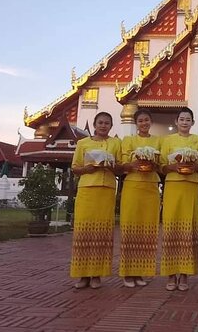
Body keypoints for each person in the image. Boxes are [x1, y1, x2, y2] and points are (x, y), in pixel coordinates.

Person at [70, 111, 122, 289]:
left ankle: (97, 274)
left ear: (111, 126)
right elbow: (75, 167)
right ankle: (82, 275)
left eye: (107, 123)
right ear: (94, 124)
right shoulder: (83, 143)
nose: (103, 125)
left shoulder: (116, 143)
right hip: (87, 189)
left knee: (102, 234)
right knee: (84, 233)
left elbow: (121, 168)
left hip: (107, 189)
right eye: (100, 122)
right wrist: (87, 169)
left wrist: (113, 166)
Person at [159, 107, 198, 291]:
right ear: (176, 121)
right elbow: (162, 166)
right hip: (173, 186)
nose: (185, 122)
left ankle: (185, 275)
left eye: (188, 119)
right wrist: (174, 166)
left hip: (190, 186)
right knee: (172, 227)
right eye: (182, 119)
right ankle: (171, 274)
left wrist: (194, 165)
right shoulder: (168, 140)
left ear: (192, 123)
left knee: (189, 228)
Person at [119, 108, 162, 288]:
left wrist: (153, 162)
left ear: (150, 122)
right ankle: (128, 273)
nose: (144, 123)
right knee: (130, 227)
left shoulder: (158, 141)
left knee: (147, 229)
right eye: (140, 121)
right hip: (132, 186)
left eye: (146, 120)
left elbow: (161, 165)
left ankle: (140, 271)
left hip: (151, 186)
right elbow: (123, 165)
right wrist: (135, 163)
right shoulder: (128, 141)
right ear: (136, 123)